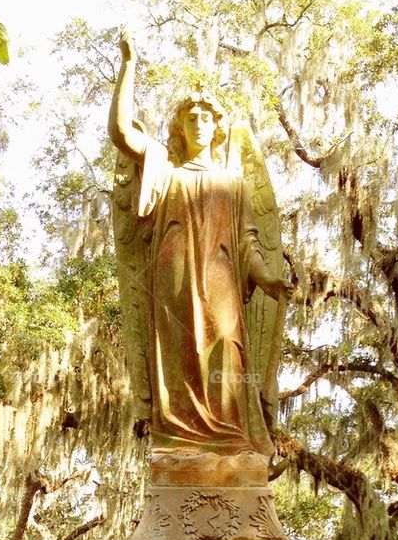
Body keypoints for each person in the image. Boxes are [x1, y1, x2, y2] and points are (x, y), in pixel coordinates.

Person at [109, 28, 287, 461]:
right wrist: (128, 66)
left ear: (217, 126)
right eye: (191, 118)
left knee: (226, 342)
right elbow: (121, 133)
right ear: (180, 127)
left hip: (221, 275)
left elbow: (247, 242)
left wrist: (266, 278)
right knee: (178, 350)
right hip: (173, 271)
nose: (199, 124)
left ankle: (230, 440)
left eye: (207, 118)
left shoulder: (233, 183)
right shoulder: (164, 170)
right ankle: (179, 441)